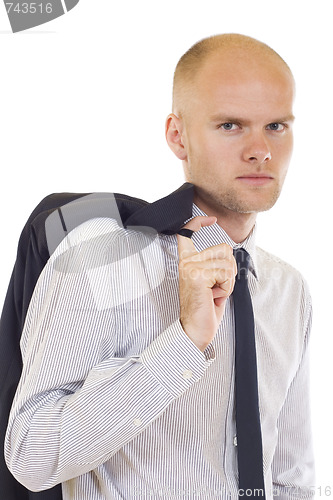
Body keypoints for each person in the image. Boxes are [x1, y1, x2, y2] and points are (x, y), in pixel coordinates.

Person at [4, 33, 315, 499]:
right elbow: (30, 456)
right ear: (178, 135)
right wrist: (183, 344)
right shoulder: (99, 259)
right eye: (231, 125)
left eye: (276, 126)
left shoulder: (289, 290)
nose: (260, 149)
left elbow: (291, 478)